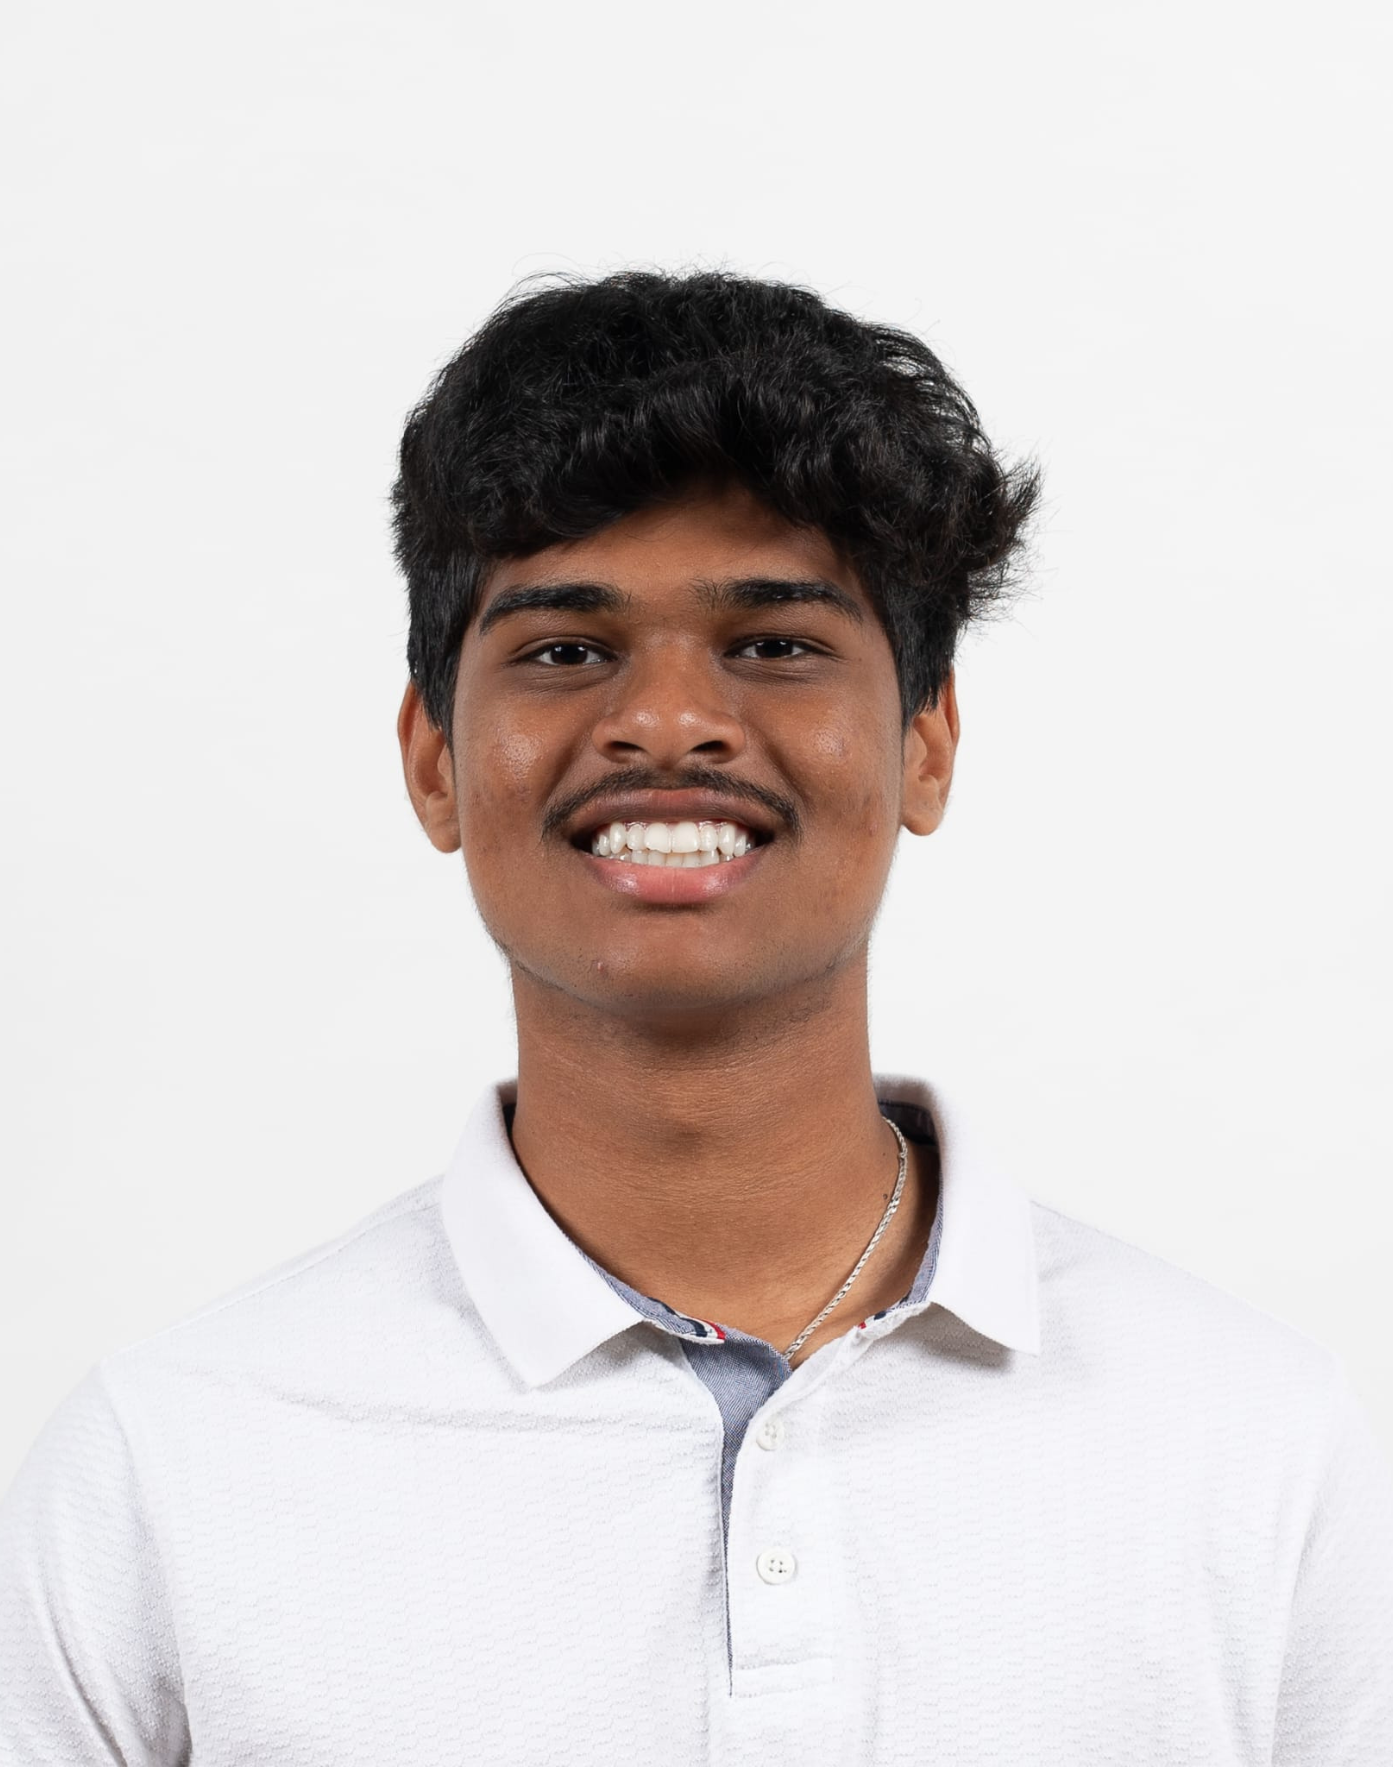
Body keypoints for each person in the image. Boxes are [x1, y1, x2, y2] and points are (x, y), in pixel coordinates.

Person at [2, 270, 1390, 1766]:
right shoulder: (167, 1466)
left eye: (775, 644)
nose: (667, 722)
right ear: (433, 760)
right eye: (564, 649)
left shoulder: (1266, 1451)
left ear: (928, 744)